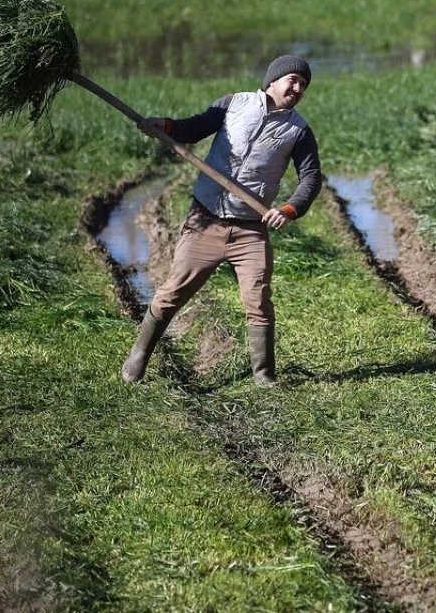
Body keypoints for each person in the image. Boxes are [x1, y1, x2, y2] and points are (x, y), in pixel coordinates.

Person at [121, 54, 322, 386]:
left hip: (250, 229)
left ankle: (264, 374)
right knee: (172, 293)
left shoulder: (298, 131)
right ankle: (140, 354)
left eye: (304, 84)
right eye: (293, 80)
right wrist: (167, 127)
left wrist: (288, 210)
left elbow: (311, 179)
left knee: (258, 299)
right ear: (273, 79)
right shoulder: (232, 104)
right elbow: (195, 127)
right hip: (206, 220)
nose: (298, 88)